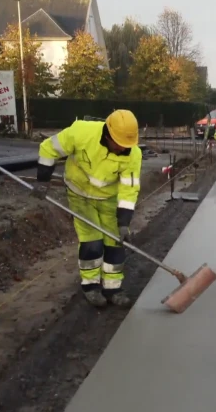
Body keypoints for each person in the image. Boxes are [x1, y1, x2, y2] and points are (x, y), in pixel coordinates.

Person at [32, 110, 142, 308]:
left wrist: (124, 223)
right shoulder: (81, 132)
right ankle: (90, 286)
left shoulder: (133, 154)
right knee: (92, 243)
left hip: (109, 197)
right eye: (119, 144)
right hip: (79, 193)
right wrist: (42, 181)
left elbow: (129, 190)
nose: (122, 149)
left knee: (116, 242)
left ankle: (113, 288)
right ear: (107, 134)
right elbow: (48, 149)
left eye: (127, 146)